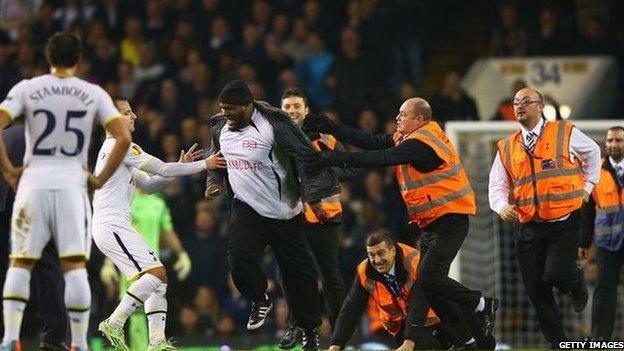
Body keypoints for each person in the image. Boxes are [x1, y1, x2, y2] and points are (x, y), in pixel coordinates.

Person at [303, 97, 497, 349]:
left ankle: (480, 304)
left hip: (451, 220)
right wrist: (331, 127)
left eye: (403, 114)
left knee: (427, 279)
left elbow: (381, 157)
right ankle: (475, 341)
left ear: (419, 119)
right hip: (431, 224)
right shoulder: (408, 138)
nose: (397, 118)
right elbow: (371, 142)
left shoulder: (422, 144)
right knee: (431, 288)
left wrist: (333, 158)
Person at [0, 32, 132, 351]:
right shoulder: (93, 93)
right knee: (73, 267)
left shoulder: (28, 89)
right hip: (72, 183)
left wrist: (9, 170)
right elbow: (123, 139)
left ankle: (9, 339)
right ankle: (77, 342)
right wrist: (98, 180)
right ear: (79, 59)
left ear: (48, 57)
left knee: (20, 262)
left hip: (34, 183)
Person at [204, 79, 342, 350]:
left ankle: (310, 331)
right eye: (222, 109)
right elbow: (216, 157)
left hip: (284, 211)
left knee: (299, 276)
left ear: (248, 106)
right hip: (246, 208)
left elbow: (305, 157)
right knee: (239, 258)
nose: (225, 114)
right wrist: (214, 181)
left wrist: (313, 197)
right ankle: (260, 299)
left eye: (231, 109)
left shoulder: (273, 126)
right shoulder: (221, 126)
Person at [92, 97, 221, 351]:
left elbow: (150, 185)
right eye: (127, 113)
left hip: (114, 225)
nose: (134, 117)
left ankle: (157, 342)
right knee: (156, 274)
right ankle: (114, 323)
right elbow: (161, 168)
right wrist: (204, 164)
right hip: (112, 224)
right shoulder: (121, 144)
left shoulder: (118, 150)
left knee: (159, 279)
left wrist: (182, 166)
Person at [488, 87, 600, 347]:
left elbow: (593, 152)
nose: (519, 106)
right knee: (537, 292)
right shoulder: (507, 147)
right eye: (516, 102)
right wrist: (501, 206)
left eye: (526, 102)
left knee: (556, 274)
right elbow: (497, 184)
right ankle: (559, 344)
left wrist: (588, 186)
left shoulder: (564, 132)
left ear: (540, 106)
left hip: (563, 222)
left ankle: (574, 281)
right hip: (527, 227)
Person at [278, 87, 351, 349]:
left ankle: (342, 336)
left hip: (325, 218)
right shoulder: (276, 139)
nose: (291, 111)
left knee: (330, 277)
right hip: (292, 216)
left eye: (296, 106)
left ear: (306, 110)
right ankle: (298, 327)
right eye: (287, 107)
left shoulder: (325, 137)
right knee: (290, 273)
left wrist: (322, 166)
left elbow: (350, 168)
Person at [0, 124, 69, 351]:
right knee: (48, 269)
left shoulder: (11, 136)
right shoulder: (45, 136)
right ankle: (53, 337)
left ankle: (10, 335)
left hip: (12, 202)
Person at [579, 126, 624, 341]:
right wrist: (584, 242)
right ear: (605, 144)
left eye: (619, 141)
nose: (614, 145)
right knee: (604, 291)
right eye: (611, 141)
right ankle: (600, 339)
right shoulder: (596, 172)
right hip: (607, 242)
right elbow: (587, 210)